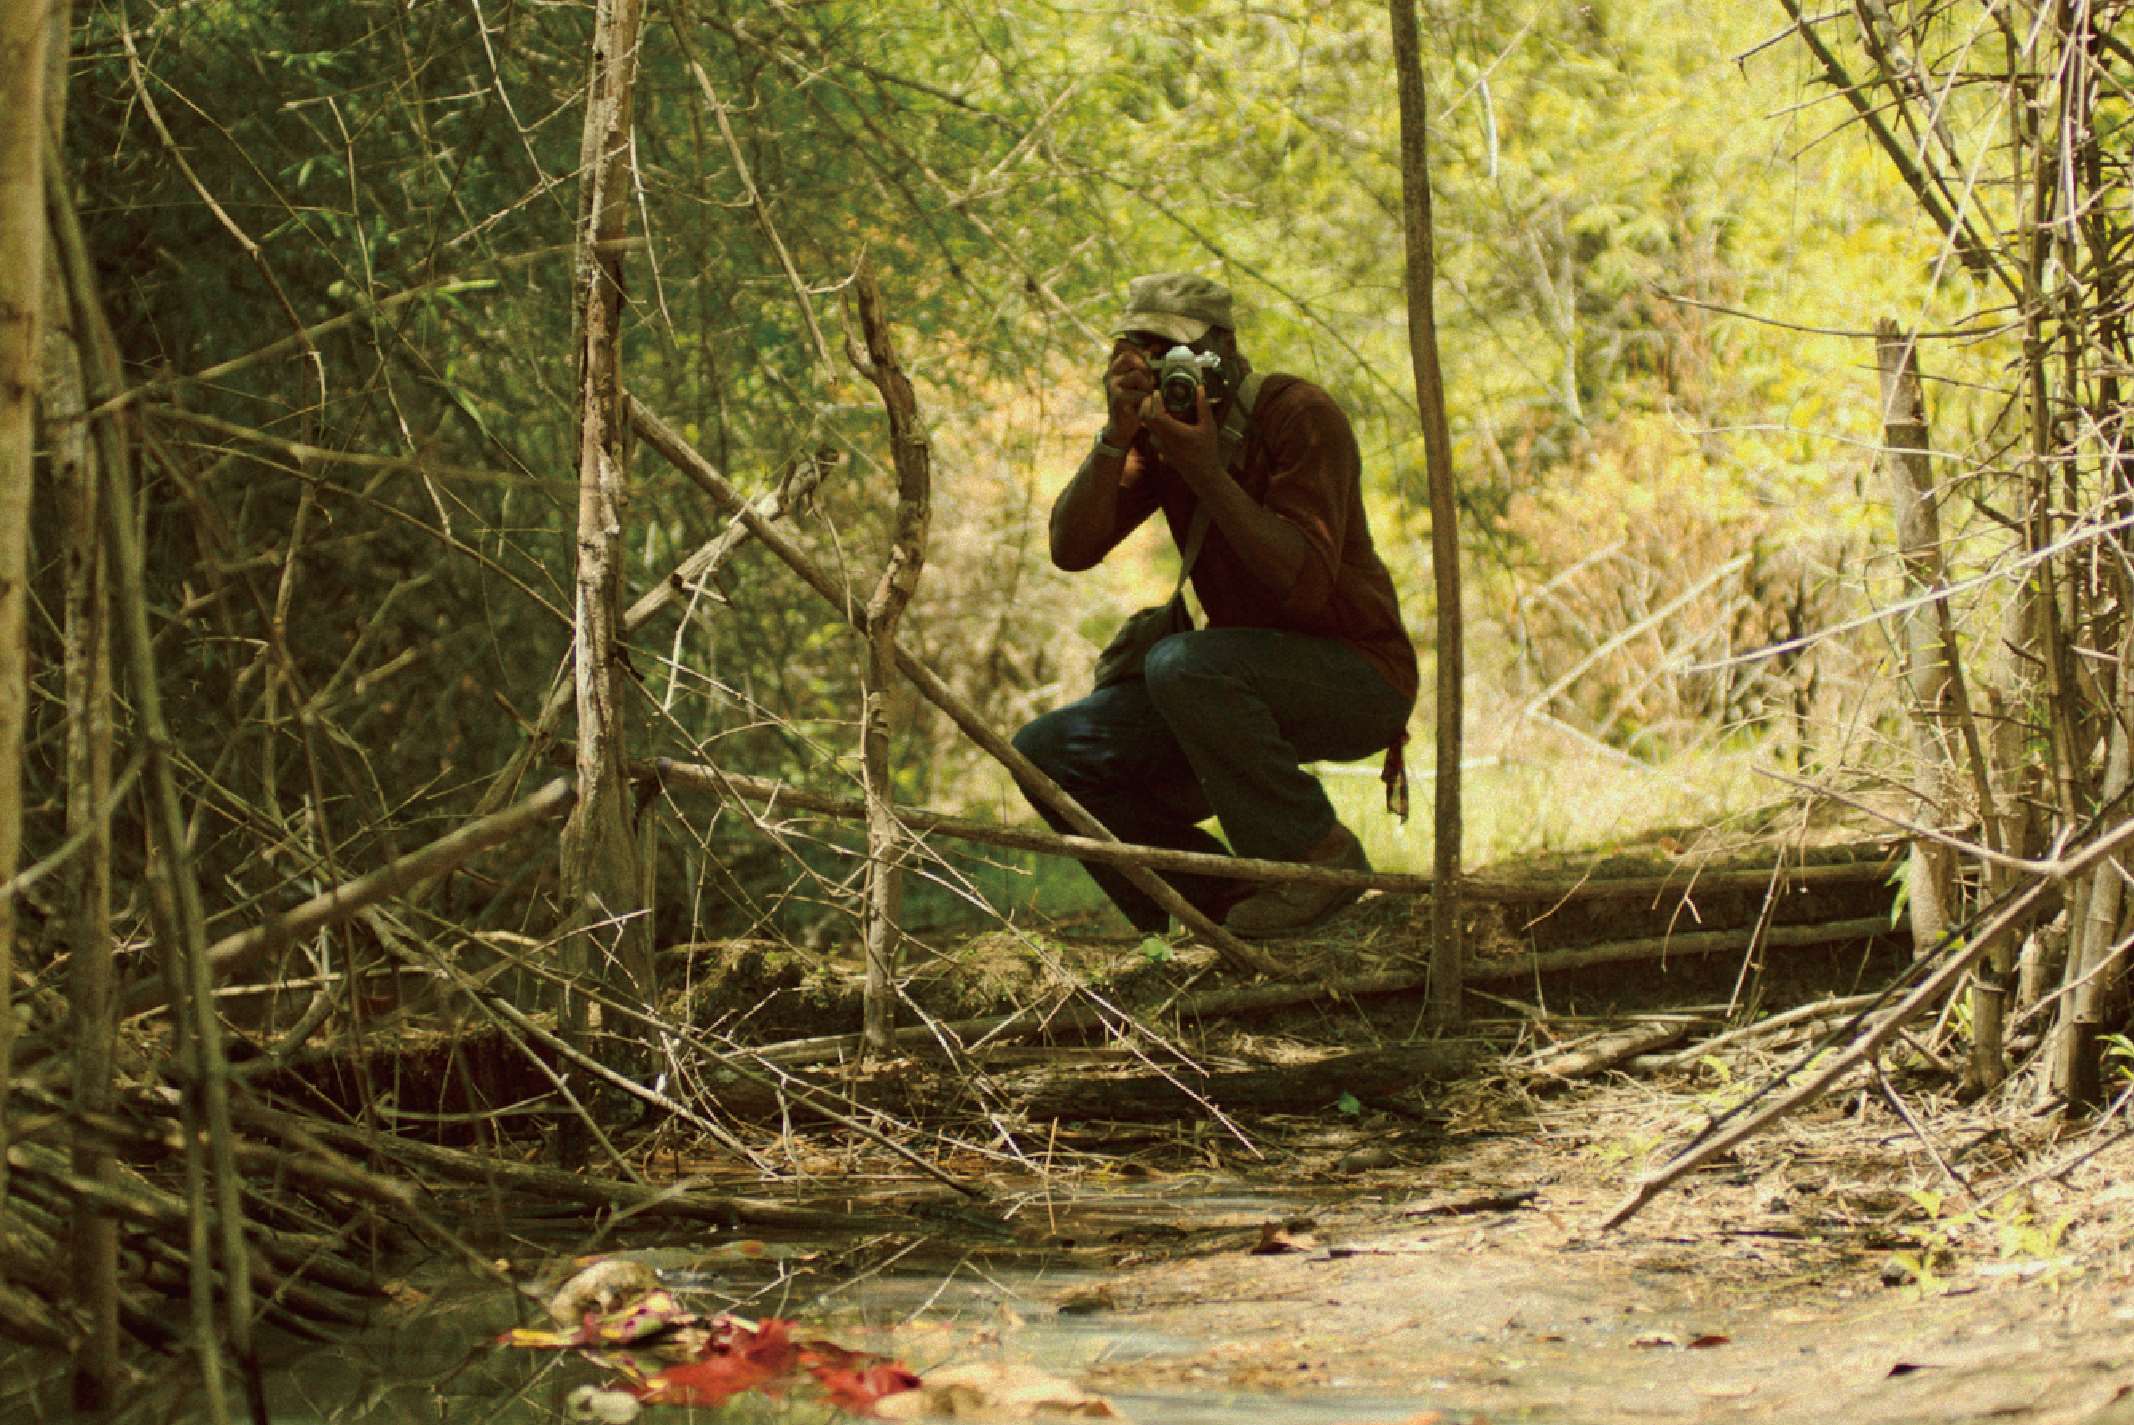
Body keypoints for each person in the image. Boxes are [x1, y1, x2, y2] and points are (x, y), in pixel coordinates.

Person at [1012, 273, 1418, 938]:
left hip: (1357, 676)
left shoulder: (1297, 414)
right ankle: (1221, 902)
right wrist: (1116, 435)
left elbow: (1304, 584)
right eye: (1144, 352)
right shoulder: (1161, 433)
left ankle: (1316, 859)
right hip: (1228, 682)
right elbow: (1070, 547)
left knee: (1181, 663)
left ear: (1225, 348)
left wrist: (1204, 469)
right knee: (1045, 751)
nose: (1166, 370)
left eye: (1177, 351)